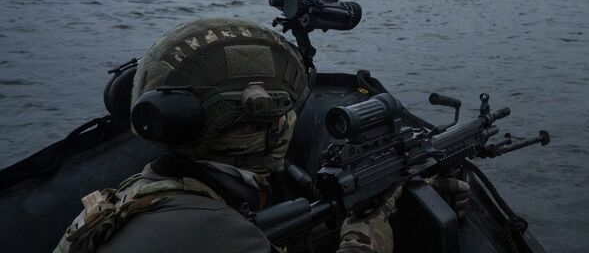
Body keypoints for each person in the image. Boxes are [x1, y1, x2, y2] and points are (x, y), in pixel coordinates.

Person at [53, 18, 468, 253]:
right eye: (286, 106)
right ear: (263, 120)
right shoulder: (215, 234)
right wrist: (367, 225)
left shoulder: (139, 196)